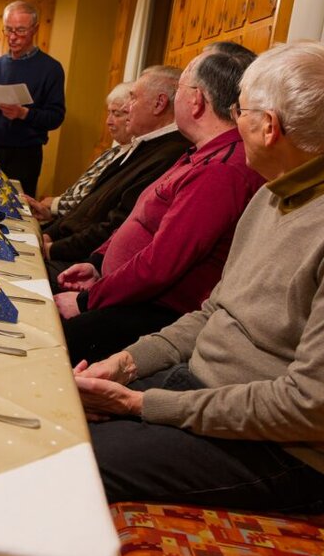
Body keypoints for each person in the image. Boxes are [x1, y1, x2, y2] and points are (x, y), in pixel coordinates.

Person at [75, 41, 324, 513]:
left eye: (239, 110)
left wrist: (141, 405)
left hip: (294, 454)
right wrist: (127, 364)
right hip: (208, 393)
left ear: (269, 127)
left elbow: (313, 409)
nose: (235, 122)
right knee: (56, 417)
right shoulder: (277, 191)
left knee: (66, 465)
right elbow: (216, 312)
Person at [55, 51, 265, 364]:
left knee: (46, 340)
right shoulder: (200, 153)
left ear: (196, 101)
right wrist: (98, 263)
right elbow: (141, 216)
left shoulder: (221, 170)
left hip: (154, 311)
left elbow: (162, 263)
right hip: (125, 293)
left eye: (179, 89)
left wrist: (87, 301)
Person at [41, 66, 189, 275]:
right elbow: (88, 203)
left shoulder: (169, 154)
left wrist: (54, 248)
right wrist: (50, 234)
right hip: (65, 246)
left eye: (133, 99)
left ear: (159, 103)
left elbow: (117, 224)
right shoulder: (144, 145)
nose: (128, 108)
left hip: (81, 262)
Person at [0, 0, 66, 195]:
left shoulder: (51, 68)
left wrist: (24, 114)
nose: (13, 37)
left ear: (35, 29)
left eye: (20, 30)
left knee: (16, 217)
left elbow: (56, 117)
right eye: (8, 30)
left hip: (24, 155)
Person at [25, 80, 134, 223]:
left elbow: (92, 207)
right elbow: (78, 194)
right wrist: (49, 213)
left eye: (117, 114)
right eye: (109, 113)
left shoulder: (132, 160)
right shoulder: (111, 153)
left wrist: (54, 205)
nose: (108, 121)